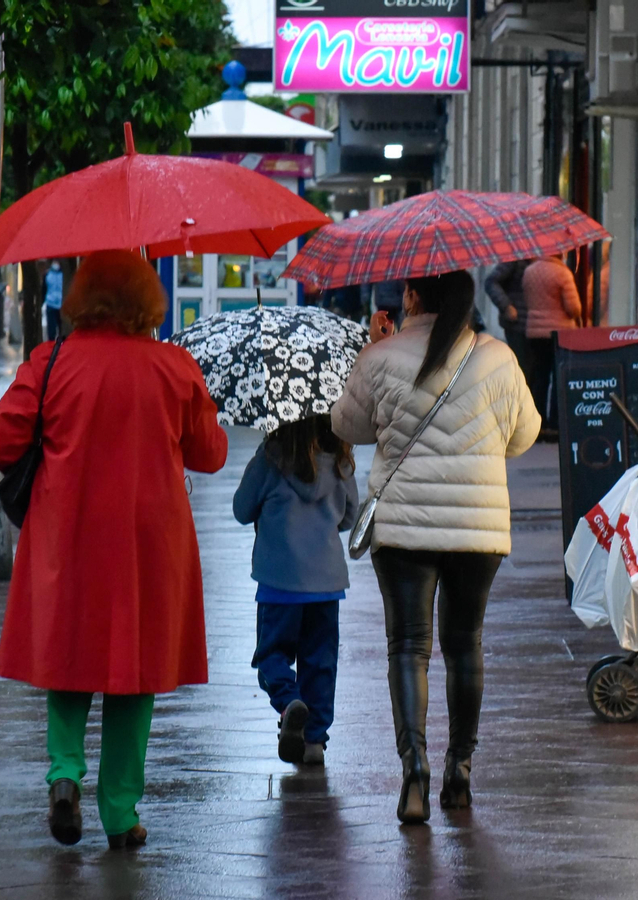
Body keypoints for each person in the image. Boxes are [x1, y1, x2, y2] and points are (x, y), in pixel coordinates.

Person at [0, 249, 228, 850]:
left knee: (69, 658)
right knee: (134, 674)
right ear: (147, 302)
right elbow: (211, 454)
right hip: (149, 542)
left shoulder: (51, 361)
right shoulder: (174, 367)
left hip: (68, 532)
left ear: (83, 297)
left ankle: (64, 774)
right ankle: (120, 812)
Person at [332, 270, 540, 825]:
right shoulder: (497, 357)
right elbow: (524, 435)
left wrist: (371, 352)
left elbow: (346, 426)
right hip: (478, 527)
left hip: (403, 528)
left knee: (408, 646)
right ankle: (461, 770)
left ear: (412, 296)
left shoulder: (384, 356)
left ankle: (414, 768)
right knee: (465, 643)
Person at [232, 415, 358, 768]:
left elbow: (242, 509)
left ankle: (289, 703)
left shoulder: (271, 456)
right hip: (327, 584)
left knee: (271, 656)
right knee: (320, 662)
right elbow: (349, 518)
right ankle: (315, 741)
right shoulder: (341, 459)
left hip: (279, 582)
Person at [521, 254, 583, 430]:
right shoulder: (562, 273)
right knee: (558, 377)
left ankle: (537, 422)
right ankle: (556, 422)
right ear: (560, 254)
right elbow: (574, 308)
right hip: (559, 333)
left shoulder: (529, 271)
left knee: (539, 377)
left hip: (534, 331)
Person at [483, 259, 531, 368]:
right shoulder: (516, 260)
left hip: (536, 325)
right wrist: (506, 306)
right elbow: (491, 282)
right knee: (522, 366)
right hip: (517, 323)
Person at [44, 261, 65, 341]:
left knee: (58, 329)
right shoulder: (48, 274)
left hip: (57, 304)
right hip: (53, 304)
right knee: (53, 330)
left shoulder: (49, 274)